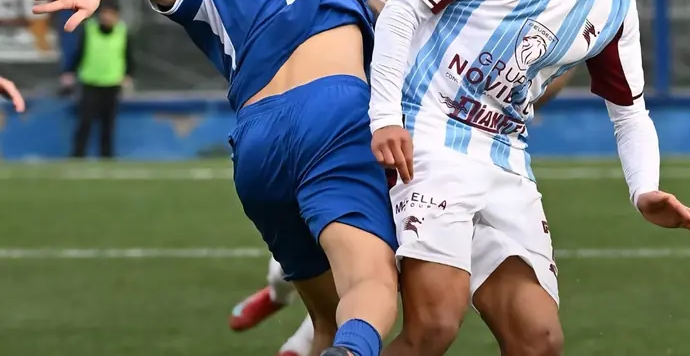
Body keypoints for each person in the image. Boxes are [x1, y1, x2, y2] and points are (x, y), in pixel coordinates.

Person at [369, 0, 690, 356]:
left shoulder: (615, 2)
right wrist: (386, 117)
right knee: (434, 325)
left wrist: (644, 189)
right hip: (429, 133)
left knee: (539, 341)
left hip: (506, 159)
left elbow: (630, 113)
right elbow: (402, 10)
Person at [27, 0, 397, 356]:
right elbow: (402, 18)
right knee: (368, 283)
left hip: (257, 141)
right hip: (334, 114)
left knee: (327, 318)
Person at [227, 70, 577, 356]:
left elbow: (543, 81)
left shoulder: (561, 20)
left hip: (453, 152)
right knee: (328, 259)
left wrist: (506, 97)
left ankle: (302, 341)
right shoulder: (411, 18)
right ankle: (277, 295)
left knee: (377, 278)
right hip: (375, 128)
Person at [61, 0, 134, 158]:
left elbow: (128, 56)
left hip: (112, 82)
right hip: (90, 82)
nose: (107, 17)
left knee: (108, 123)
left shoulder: (122, 32)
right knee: (85, 121)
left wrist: (128, 76)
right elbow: (79, 53)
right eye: (105, 13)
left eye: (111, 14)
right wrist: (69, 72)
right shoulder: (89, 29)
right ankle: (78, 154)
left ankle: (107, 155)